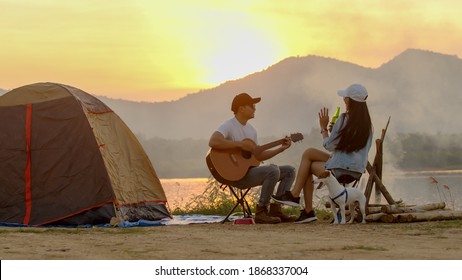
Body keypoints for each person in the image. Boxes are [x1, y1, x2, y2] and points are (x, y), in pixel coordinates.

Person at [273, 84, 373, 223]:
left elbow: (329, 145)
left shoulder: (344, 119)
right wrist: (335, 133)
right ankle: (300, 203)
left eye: (345, 97)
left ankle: (302, 204)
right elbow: (351, 147)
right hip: (356, 171)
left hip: (339, 170)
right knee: (309, 153)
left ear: (350, 101)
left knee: (307, 165)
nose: (344, 99)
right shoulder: (368, 125)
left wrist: (323, 128)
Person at [208, 93, 297, 224]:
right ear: (241, 108)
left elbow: (258, 156)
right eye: (252, 106)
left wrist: (280, 149)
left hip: (248, 172)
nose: (255, 109)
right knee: (272, 170)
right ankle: (261, 211)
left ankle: (276, 210)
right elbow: (213, 141)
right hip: (235, 175)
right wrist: (239, 144)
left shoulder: (252, 131)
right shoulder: (229, 125)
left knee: (290, 170)